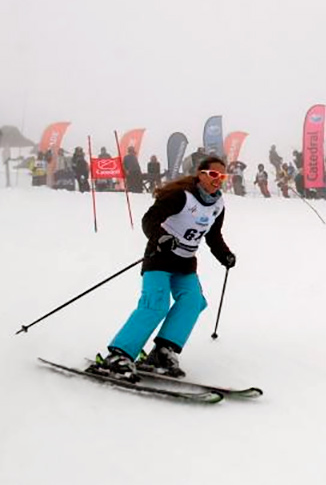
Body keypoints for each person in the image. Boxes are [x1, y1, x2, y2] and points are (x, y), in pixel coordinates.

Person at [86, 156, 237, 381]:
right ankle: (119, 355)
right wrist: (162, 238)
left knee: (193, 301)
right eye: (214, 175)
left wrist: (224, 254)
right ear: (201, 174)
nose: (218, 180)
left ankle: (163, 352)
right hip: (160, 257)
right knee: (155, 305)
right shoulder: (181, 196)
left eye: (222, 176)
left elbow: (213, 236)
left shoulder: (218, 205)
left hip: (185, 263)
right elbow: (150, 220)